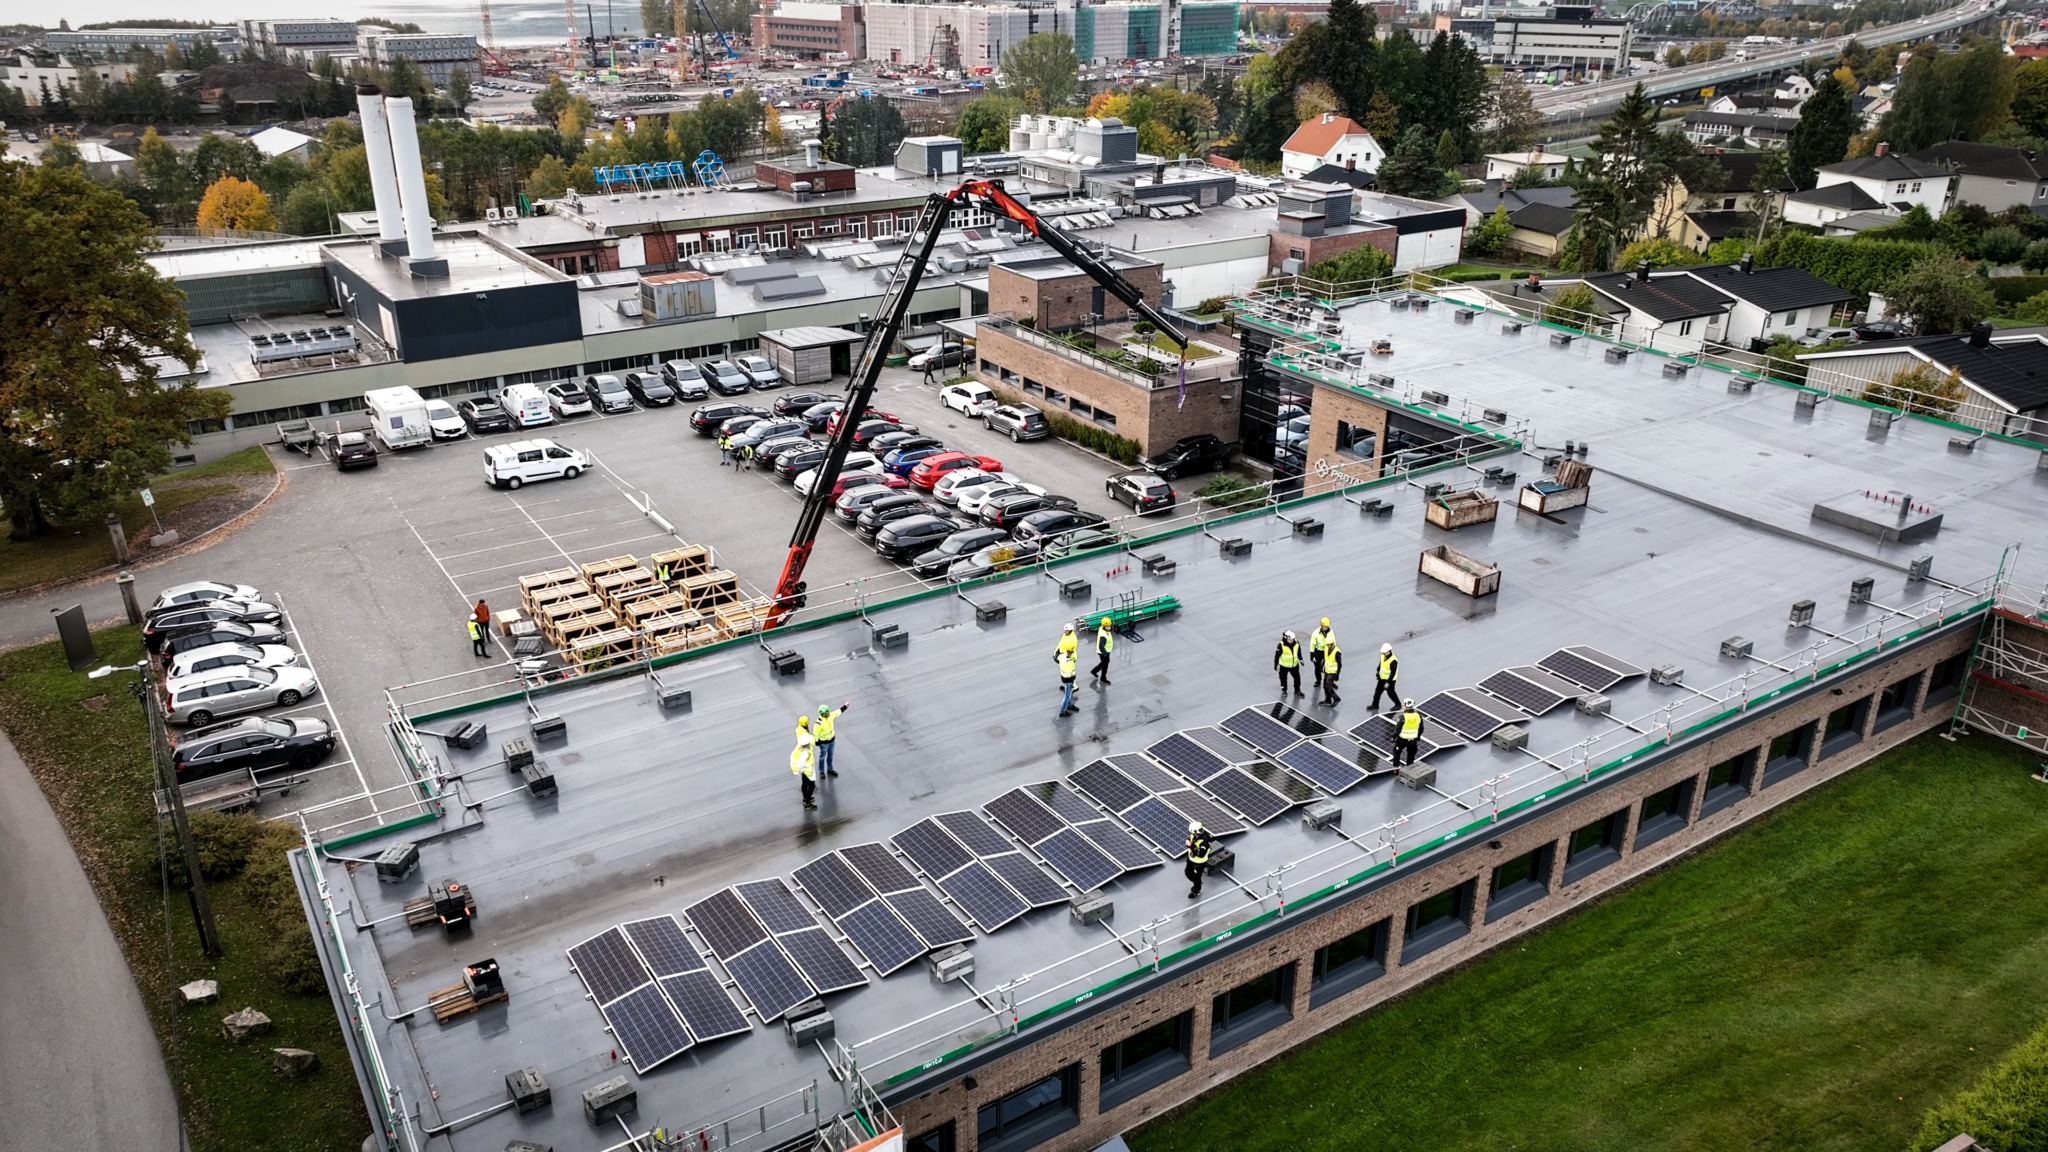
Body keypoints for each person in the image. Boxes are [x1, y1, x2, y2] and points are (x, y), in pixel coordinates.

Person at [814, 700, 851, 777]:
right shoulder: (818, 723)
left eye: (827, 713)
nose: (827, 714)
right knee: (822, 757)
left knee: (830, 756)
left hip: (832, 741)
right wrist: (817, 741)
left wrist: (845, 706)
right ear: (822, 714)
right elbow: (816, 733)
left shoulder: (830, 715)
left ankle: (830, 769)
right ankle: (821, 771)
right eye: (825, 714)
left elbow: (837, 712)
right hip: (824, 743)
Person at [791, 715, 818, 809]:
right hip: (807, 770)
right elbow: (802, 763)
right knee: (811, 785)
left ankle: (806, 798)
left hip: (805, 770)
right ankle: (807, 802)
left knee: (804, 783)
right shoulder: (805, 752)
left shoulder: (799, 731)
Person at [1393, 699, 1425, 767]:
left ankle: (1396, 767)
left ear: (1405, 706)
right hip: (1413, 740)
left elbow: (1397, 729)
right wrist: (1418, 737)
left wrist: (1393, 738)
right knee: (1411, 754)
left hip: (1402, 740)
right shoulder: (1418, 716)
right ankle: (1409, 767)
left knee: (1396, 751)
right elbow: (1421, 729)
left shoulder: (1403, 717)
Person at [1185, 820, 1213, 897]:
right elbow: (1189, 839)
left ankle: (1196, 890)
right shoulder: (1193, 835)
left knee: (1197, 877)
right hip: (1191, 859)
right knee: (1188, 872)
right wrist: (1188, 842)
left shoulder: (1204, 841)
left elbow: (1201, 854)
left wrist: (1192, 847)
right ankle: (1197, 882)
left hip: (1199, 863)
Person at [1055, 632, 1080, 717]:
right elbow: (1071, 672)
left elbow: (1057, 657)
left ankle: (1069, 705)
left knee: (1068, 694)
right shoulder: (1069, 661)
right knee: (1067, 696)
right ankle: (1062, 711)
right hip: (1069, 679)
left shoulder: (1062, 656)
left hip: (1064, 677)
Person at [1370, 643, 1400, 711]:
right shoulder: (1383, 655)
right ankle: (1375, 705)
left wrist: (1388, 682)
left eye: (1384, 652)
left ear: (1389, 651)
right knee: (1377, 692)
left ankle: (1398, 704)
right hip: (1382, 678)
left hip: (1390, 680)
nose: (1383, 653)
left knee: (1391, 693)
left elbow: (1393, 673)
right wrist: (1378, 671)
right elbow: (1381, 663)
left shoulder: (1393, 660)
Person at [1308, 617, 1335, 693]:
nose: (1326, 627)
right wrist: (1312, 653)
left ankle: (1330, 681)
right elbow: (1312, 644)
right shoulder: (1316, 633)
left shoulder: (1331, 632)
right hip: (1318, 651)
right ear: (1321, 625)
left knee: (1328, 667)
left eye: (1327, 626)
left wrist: (1332, 651)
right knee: (1317, 667)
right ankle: (1318, 680)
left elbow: (1333, 642)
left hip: (1327, 651)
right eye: (1325, 626)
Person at [1274, 629, 1303, 698]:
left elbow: (1299, 652)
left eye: (1293, 639)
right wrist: (1276, 664)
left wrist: (1301, 659)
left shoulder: (1296, 643)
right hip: (1284, 666)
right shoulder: (1281, 645)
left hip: (1294, 665)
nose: (1292, 640)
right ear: (1286, 638)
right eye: (1290, 639)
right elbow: (1277, 656)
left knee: (1297, 679)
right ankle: (1284, 690)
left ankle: (1297, 690)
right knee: (1283, 679)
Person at [1091, 616, 1114, 686]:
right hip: (1103, 652)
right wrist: (1104, 653)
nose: (1109, 627)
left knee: (1105, 662)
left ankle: (1094, 671)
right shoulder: (1103, 635)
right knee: (1105, 665)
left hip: (1106, 651)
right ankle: (1103, 678)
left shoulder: (1102, 629)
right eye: (1107, 626)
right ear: (1104, 626)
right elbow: (1101, 646)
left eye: (1110, 625)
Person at [1320, 641, 1343, 706]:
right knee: (1325, 686)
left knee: (1328, 686)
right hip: (1327, 670)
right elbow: (1325, 658)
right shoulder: (1327, 648)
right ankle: (1328, 700)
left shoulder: (1337, 652)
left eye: (1330, 644)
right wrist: (1322, 666)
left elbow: (1339, 664)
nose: (1328, 645)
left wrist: (1337, 674)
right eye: (1327, 644)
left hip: (1333, 672)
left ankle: (1336, 698)